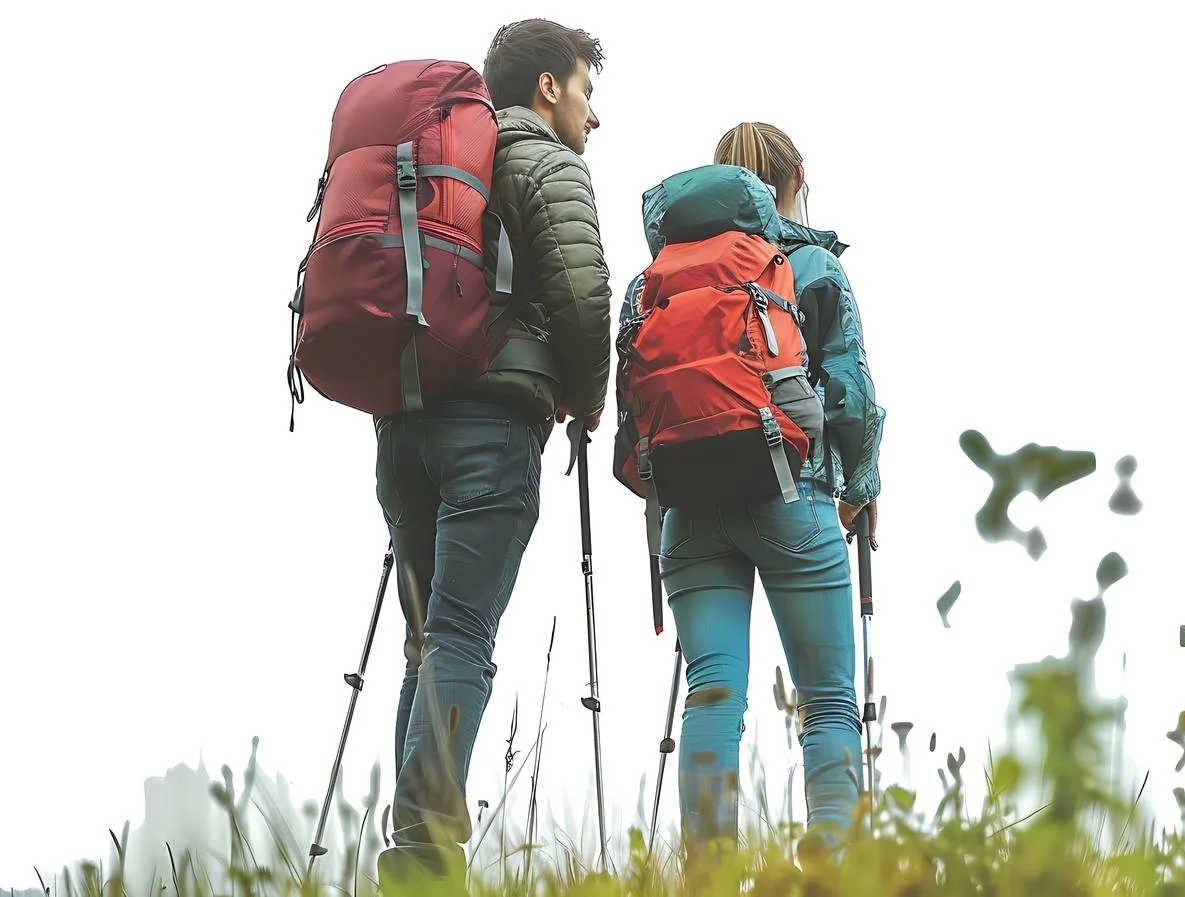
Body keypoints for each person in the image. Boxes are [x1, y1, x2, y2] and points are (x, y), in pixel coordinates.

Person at [375, 19, 612, 896]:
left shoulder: (438, 154)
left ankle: (408, 843)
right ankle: (427, 852)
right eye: (586, 90)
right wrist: (588, 397)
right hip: (491, 420)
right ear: (548, 87)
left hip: (402, 422)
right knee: (462, 633)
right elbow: (584, 297)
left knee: (427, 639)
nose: (594, 115)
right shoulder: (543, 159)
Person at [616, 121, 886, 870]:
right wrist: (860, 489)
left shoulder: (654, 280)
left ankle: (709, 877)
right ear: (795, 175)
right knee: (828, 701)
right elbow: (853, 399)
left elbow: (633, 414)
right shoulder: (810, 267)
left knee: (713, 693)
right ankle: (831, 874)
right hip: (794, 498)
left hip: (689, 512)